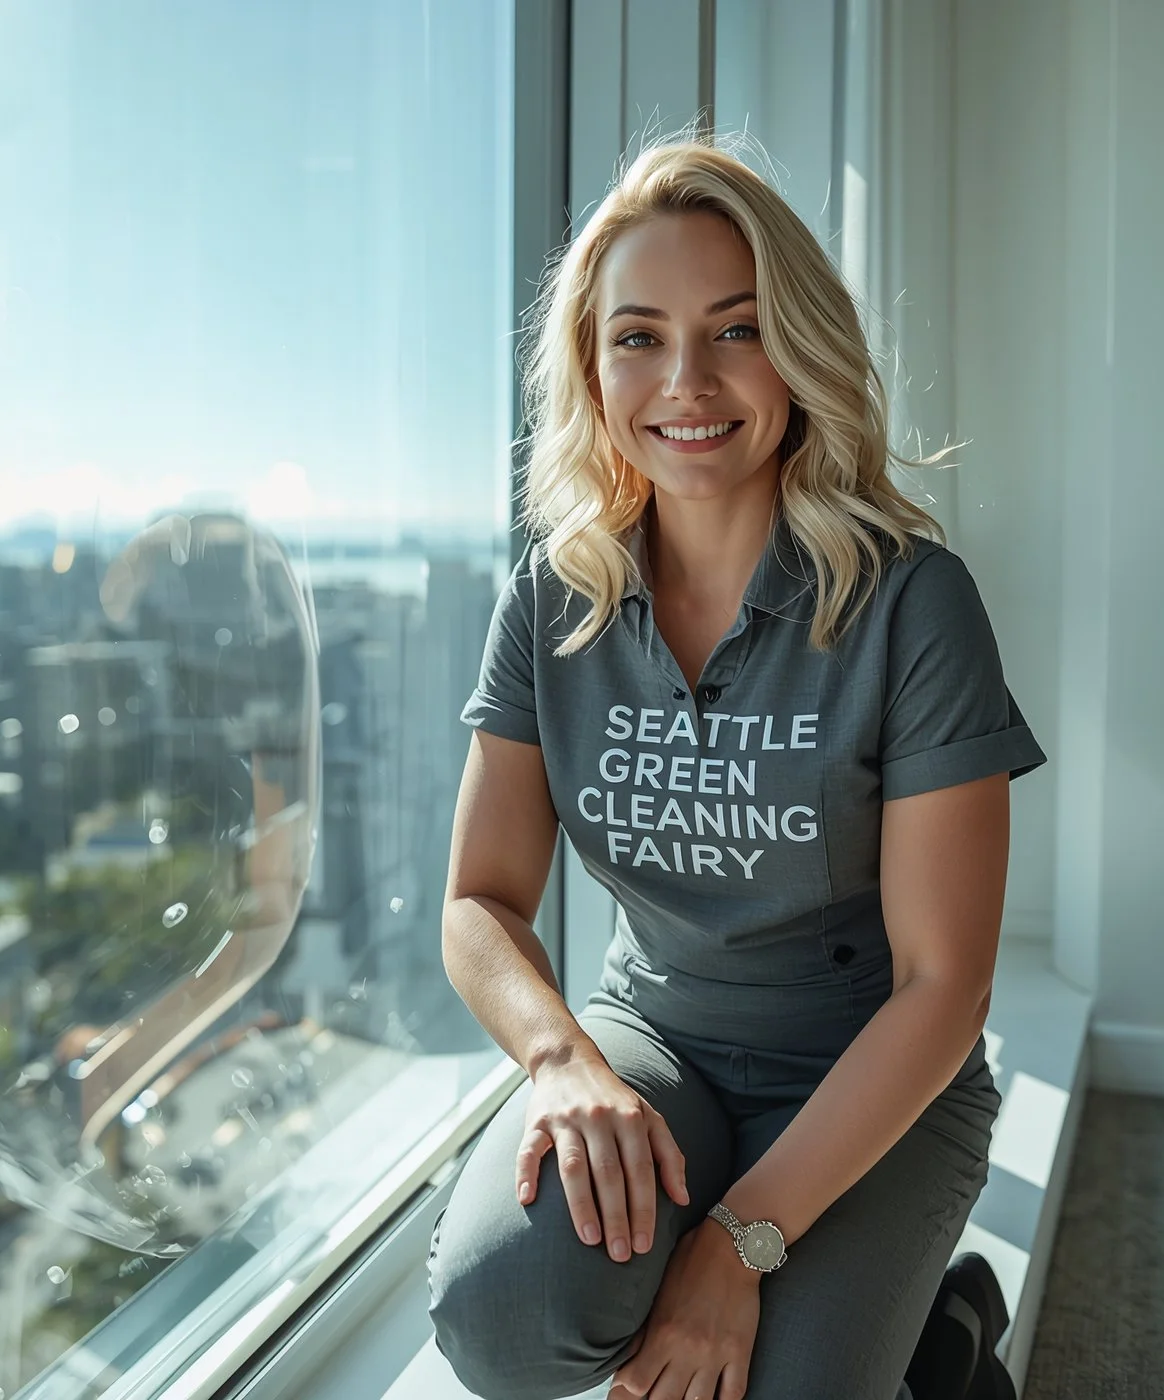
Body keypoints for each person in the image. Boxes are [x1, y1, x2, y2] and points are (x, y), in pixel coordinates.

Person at [426, 137, 1043, 1400]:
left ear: (799, 351)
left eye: (736, 329)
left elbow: (943, 983)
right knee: (500, 1319)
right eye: (639, 336)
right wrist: (562, 1060)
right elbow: (479, 901)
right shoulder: (553, 601)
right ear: (593, 371)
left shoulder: (912, 602)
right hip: (658, 1042)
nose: (686, 380)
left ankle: (937, 1324)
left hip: (874, 1070)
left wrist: (739, 1241)